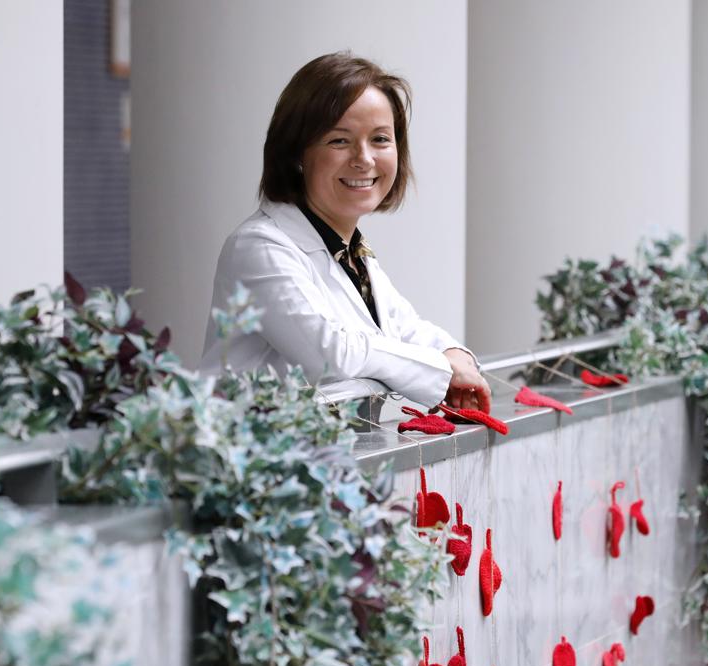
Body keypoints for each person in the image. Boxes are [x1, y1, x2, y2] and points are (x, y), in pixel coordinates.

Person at [201, 52, 491, 413]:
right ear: (296, 153)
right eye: (340, 140)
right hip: (247, 463)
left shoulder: (348, 250)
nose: (364, 158)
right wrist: (443, 369)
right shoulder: (259, 247)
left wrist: (454, 354)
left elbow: (403, 330)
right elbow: (333, 353)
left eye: (381, 139)